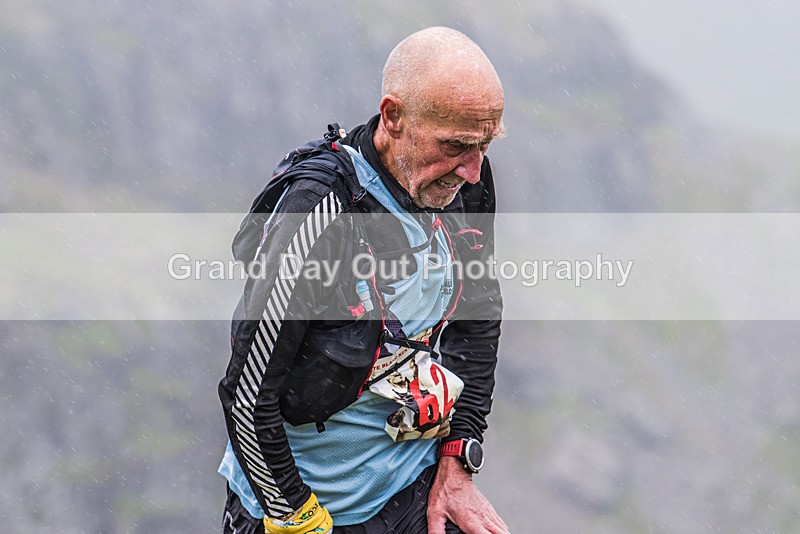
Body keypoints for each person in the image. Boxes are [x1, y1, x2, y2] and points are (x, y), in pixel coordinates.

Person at [218, 26, 508, 534]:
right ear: (393, 117)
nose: (473, 170)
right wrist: (297, 518)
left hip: (408, 488)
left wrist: (458, 460)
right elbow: (247, 394)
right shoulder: (319, 213)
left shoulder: (468, 183)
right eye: (457, 145)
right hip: (297, 501)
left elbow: (477, 319)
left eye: (485, 144)